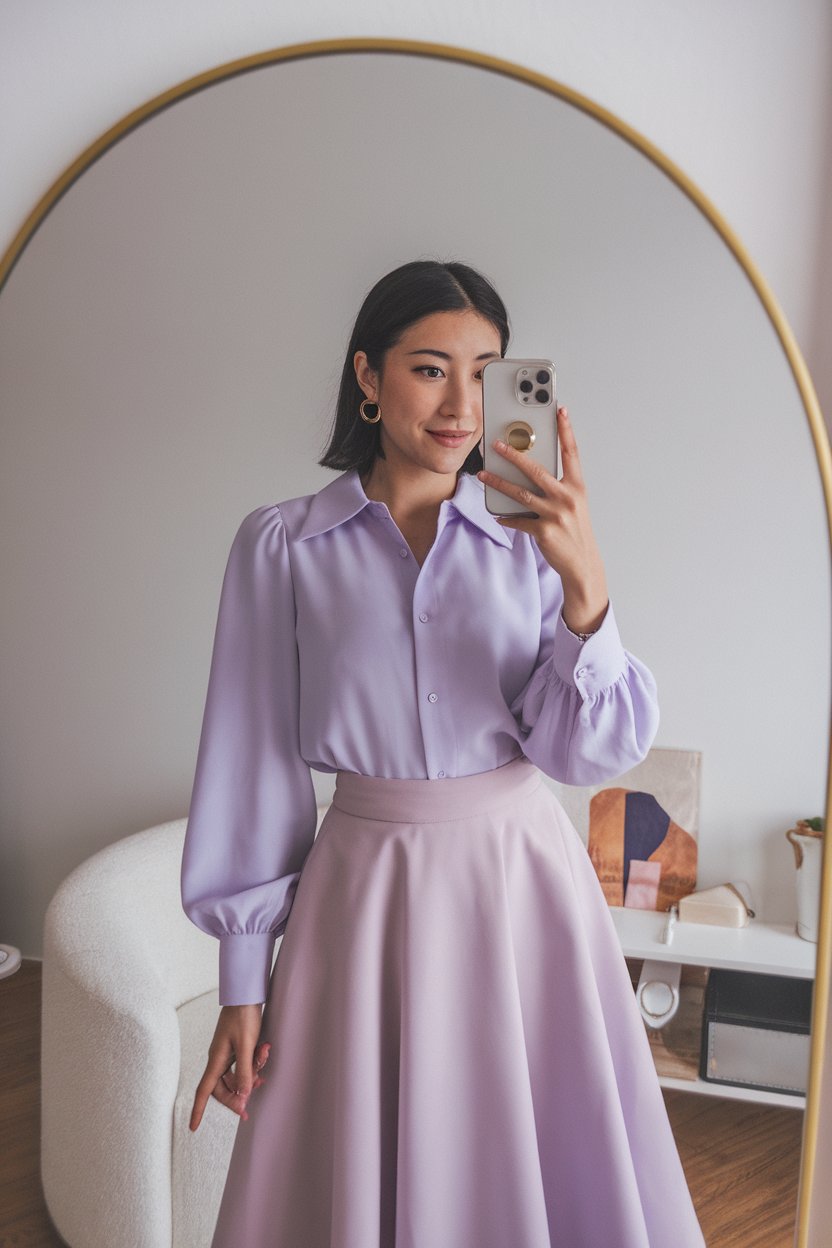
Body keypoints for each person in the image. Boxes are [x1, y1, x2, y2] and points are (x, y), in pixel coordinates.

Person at [180, 259, 705, 1247]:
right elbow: (246, 762)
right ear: (368, 378)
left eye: (487, 371)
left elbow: (585, 752)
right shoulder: (281, 548)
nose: (463, 404)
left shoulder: (532, 548)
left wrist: (585, 588)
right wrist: (242, 982)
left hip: (522, 890)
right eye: (429, 369)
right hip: (359, 901)